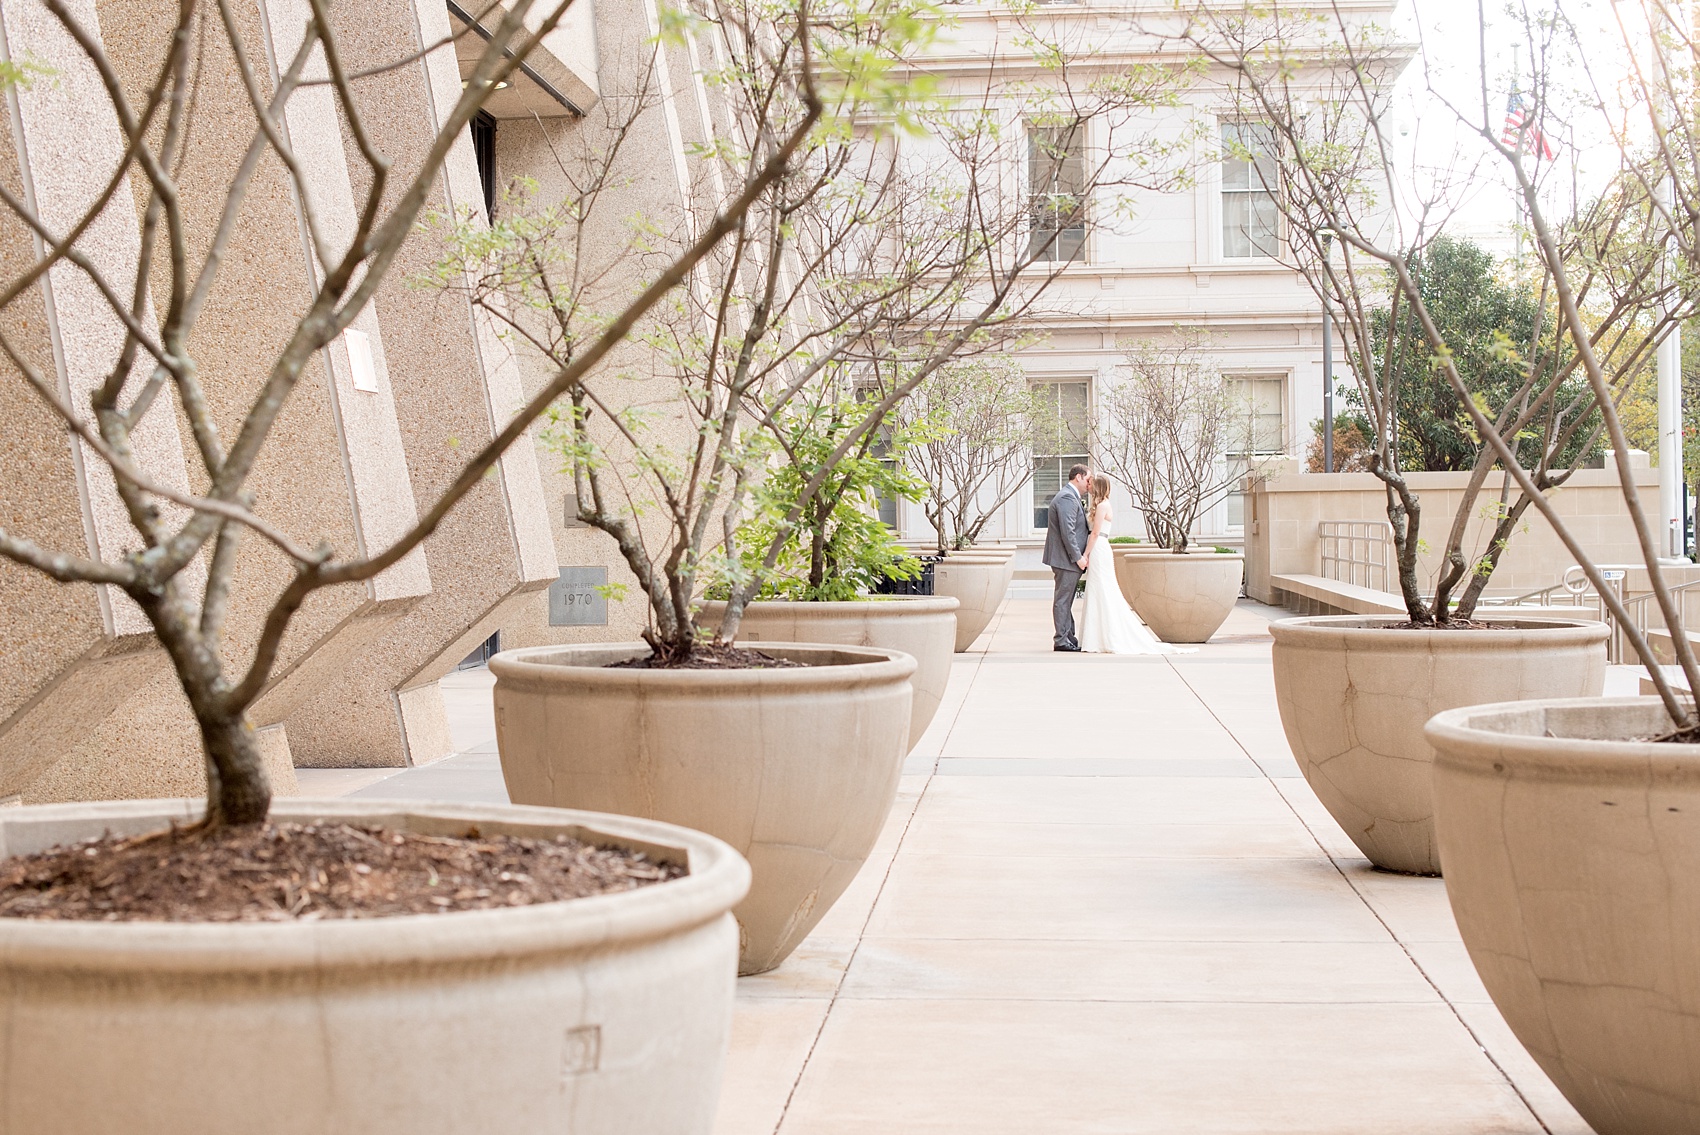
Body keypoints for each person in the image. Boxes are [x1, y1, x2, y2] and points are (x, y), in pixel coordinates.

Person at [1079, 473, 1195, 655]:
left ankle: (1105, 636)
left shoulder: (1103, 506)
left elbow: (1095, 533)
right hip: (1098, 547)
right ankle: (1096, 636)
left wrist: (1085, 554)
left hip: (1099, 547)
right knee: (1096, 589)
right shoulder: (1100, 505)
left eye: (1092, 484)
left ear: (1098, 487)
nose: (1089, 486)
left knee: (1103, 589)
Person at [1042, 464, 1092, 652]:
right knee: (1063, 600)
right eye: (1088, 480)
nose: (1089, 484)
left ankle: (1069, 637)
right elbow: (1067, 532)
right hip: (1066, 560)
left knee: (1066, 600)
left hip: (1067, 559)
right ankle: (1061, 640)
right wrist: (1078, 557)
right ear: (1078, 477)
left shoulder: (1070, 497)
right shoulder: (1067, 498)